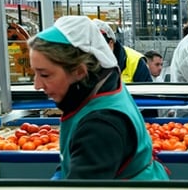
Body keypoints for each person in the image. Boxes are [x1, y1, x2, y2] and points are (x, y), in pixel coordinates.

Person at [28, 16, 169, 180]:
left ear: (80, 71)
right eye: (35, 73)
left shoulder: (100, 125)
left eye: (45, 74)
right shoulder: (105, 83)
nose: (37, 85)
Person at [91, 19, 153, 83]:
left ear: (111, 43)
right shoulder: (84, 61)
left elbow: (148, 90)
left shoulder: (136, 62)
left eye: (98, 46)